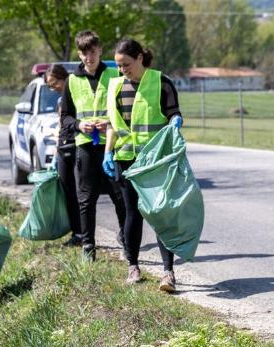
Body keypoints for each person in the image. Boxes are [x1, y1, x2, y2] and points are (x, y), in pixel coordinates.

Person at [103, 38, 184, 291]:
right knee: (132, 213)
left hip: (155, 161)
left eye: (126, 64)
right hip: (126, 159)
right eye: (118, 65)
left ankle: (168, 273)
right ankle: (133, 267)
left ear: (139, 58)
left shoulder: (161, 82)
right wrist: (108, 152)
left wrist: (176, 121)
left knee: (160, 214)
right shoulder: (115, 86)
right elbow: (112, 124)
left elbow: (173, 112)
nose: (122, 70)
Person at [60, 30, 127, 262]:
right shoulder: (72, 81)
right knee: (86, 199)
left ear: (100, 50)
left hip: (113, 145)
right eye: (84, 53)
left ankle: (126, 239)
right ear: (79, 54)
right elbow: (65, 117)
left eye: (92, 52)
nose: (88, 57)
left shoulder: (115, 74)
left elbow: (125, 109)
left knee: (120, 196)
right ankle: (88, 246)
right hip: (86, 146)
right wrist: (79, 125)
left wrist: (110, 122)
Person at [45, 64, 83, 246]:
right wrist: (56, 149)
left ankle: (84, 233)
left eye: (54, 83)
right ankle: (77, 233)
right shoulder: (61, 99)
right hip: (63, 147)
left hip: (76, 146)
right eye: (50, 86)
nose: (53, 88)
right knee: (68, 193)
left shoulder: (75, 94)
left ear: (64, 78)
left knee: (79, 193)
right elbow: (61, 124)